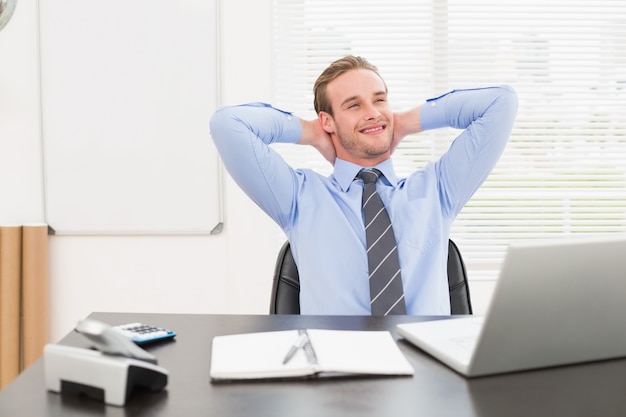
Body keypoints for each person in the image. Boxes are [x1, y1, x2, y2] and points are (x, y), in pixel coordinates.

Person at [210, 55, 518, 315]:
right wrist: (311, 132)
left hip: (426, 373)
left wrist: (406, 122)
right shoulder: (299, 197)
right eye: (353, 105)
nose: (372, 112)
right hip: (338, 374)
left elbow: (500, 102)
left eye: (379, 99)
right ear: (327, 120)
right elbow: (228, 124)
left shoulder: (438, 189)